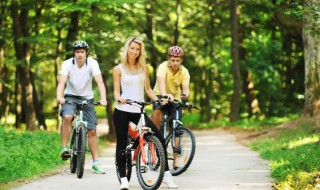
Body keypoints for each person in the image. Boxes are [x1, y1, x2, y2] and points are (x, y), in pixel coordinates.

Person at [113, 37, 178, 189]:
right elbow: (116, 91)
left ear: (140, 52)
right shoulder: (118, 69)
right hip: (122, 110)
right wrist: (119, 98)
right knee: (122, 145)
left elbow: (148, 89)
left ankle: (167, 176)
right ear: (127, 48)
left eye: (137, 49)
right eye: (132, 48)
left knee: (159, 139)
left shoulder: (144, 68)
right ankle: (123, 179)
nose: (134, 51)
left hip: (138, 110)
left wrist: (158, 100)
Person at [56, 40, 107, 174]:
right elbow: (61, 83)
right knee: (67, 117)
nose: (80, 55)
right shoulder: (67, 64)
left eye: (82, 52)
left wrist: (103, 99)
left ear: (86, 53)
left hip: (87, 98)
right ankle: (64, 148)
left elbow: (100, 82)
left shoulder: (92, 63)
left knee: (92, 131)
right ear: (74, 53)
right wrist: (59, 96)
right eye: (77, 52)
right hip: (70, 97)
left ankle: (96, 163)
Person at [151, 45, 190, 169]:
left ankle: (176, 159)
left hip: (175, 99)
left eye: (177, 60)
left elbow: (186, 88)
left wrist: (185, 95)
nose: (175, 63)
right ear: (168, 59)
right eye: (173, 60)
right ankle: (158, 155)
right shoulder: (162, 67)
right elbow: (161, 80)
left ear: (181, 60)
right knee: (160, 125)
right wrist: (164, 95)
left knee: (177, 127)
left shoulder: (184, 71)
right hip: (159, 95)